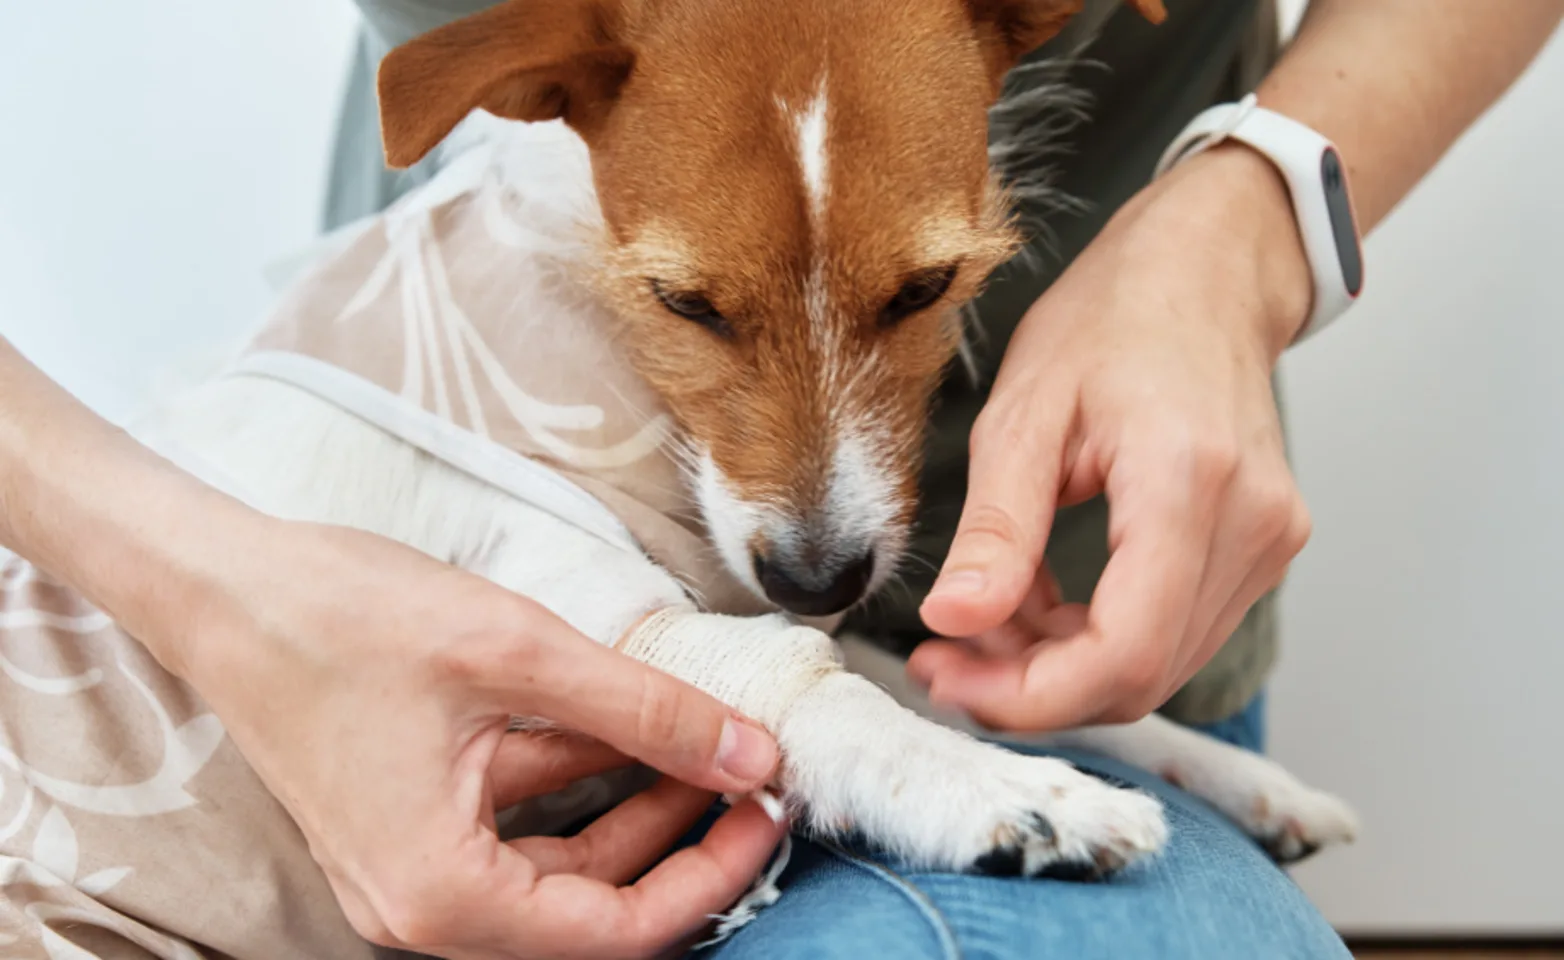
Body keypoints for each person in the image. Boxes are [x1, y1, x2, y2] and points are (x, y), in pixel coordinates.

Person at [0, 0, 1558, 957]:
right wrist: (201, 580)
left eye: (915, 287)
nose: (817, 520)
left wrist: (1260, 216)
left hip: (1071, 598)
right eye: (692, 298)